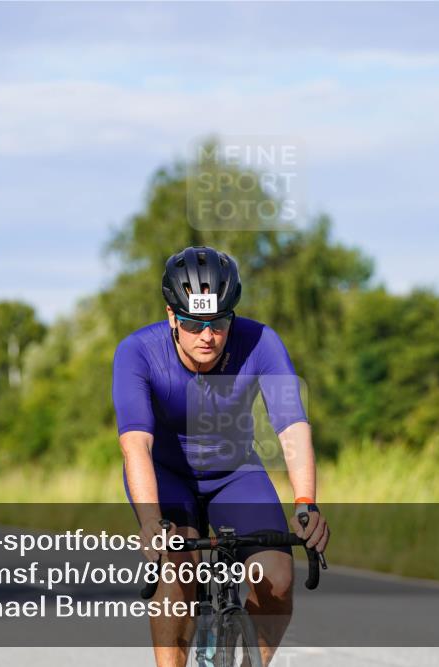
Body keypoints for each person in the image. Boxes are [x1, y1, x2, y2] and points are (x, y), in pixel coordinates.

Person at [113, 245, 330, 667]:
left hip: (235, 474)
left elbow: (292, 427)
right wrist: (149, 522)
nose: (208, 336)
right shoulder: (137, 352)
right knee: (180, 576)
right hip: (168, 475)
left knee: (279, 579)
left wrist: (306, 504)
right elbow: (135, 444)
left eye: (218, 322)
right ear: (172, 316)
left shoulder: (262, 342)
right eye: (194, 324)